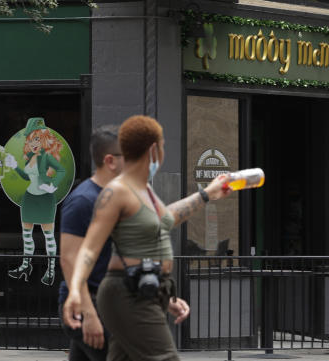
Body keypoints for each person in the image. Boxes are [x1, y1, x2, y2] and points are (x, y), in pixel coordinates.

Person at [63, 114, 233, 361]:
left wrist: (207, 194)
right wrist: (76, 294)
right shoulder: (116, 192)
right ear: (153, 149)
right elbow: (87, 250)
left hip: (145, 289)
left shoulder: (143, 190)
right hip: (128, 292)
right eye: (163, 145)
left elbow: (166, 218)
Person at [58, 125, 125, 361]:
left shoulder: (118, 195)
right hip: (90, 304)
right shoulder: (83, 201)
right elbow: (69, 260)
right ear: (110, 161)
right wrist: (89, 314)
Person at [3, 117, 67, 285]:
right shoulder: (30, 156)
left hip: (45, 199)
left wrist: (52, 185)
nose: (33, 143)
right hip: (29, 198)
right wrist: (15, 166)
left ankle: (51, 270)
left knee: (48, 236)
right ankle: (26, 266)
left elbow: (61, 170)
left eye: (37, 139)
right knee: (27, 235)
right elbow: (27, 177)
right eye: (30, 139)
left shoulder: (46, 156)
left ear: (44, 139)